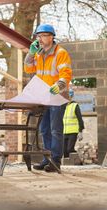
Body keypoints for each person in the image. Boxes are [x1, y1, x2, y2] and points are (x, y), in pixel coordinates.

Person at [24, 24, 72, 172]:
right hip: (44, 96)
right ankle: (47, 158)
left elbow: (66, 73)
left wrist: (60, 85)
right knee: (44, 130)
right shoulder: (38, 53)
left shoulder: (60, 53)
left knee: (55, 129)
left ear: (51, 37)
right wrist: (30, 54)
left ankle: (55, 161)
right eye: (38, 36)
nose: (40, 39)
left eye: (43, 35)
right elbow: (28, 69)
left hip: (57, 96)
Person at [63, 88, 84, 158]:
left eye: (68, 96)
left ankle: (79, 158)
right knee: (64, 151)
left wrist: (80, 131)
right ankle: (67, 165)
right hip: (64, 132)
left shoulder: (75, 105)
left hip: (73, 132)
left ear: (71, 96)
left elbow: (80, 119)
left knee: (69, 149)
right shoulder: (63, 106)